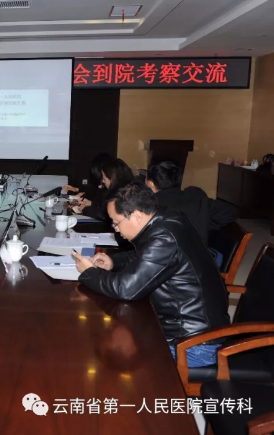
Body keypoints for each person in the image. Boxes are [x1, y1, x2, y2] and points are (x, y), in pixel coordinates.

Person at [73, 182, 229, 367]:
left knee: (126, 370)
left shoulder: (164, 238)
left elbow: (126, 289)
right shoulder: (168, 218)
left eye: (116, 222)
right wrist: (113, 261)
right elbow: (147, 256)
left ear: (137, 215)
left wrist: (89, 273)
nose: (116, 229)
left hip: (193, 345)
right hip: (190, 330)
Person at [145, 161, 238, 244]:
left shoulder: (148, 206)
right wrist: (203, 221)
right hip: (197, 255)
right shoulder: (195, 197)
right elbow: (230, 212)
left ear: (150, 184)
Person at [64, 153, 112, 219]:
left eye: (104, 179)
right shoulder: (104, 186)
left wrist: (85, 209)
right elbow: (94, 192)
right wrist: (78, 191)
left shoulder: (116, 191)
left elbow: (104, 213)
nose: (102, 181)